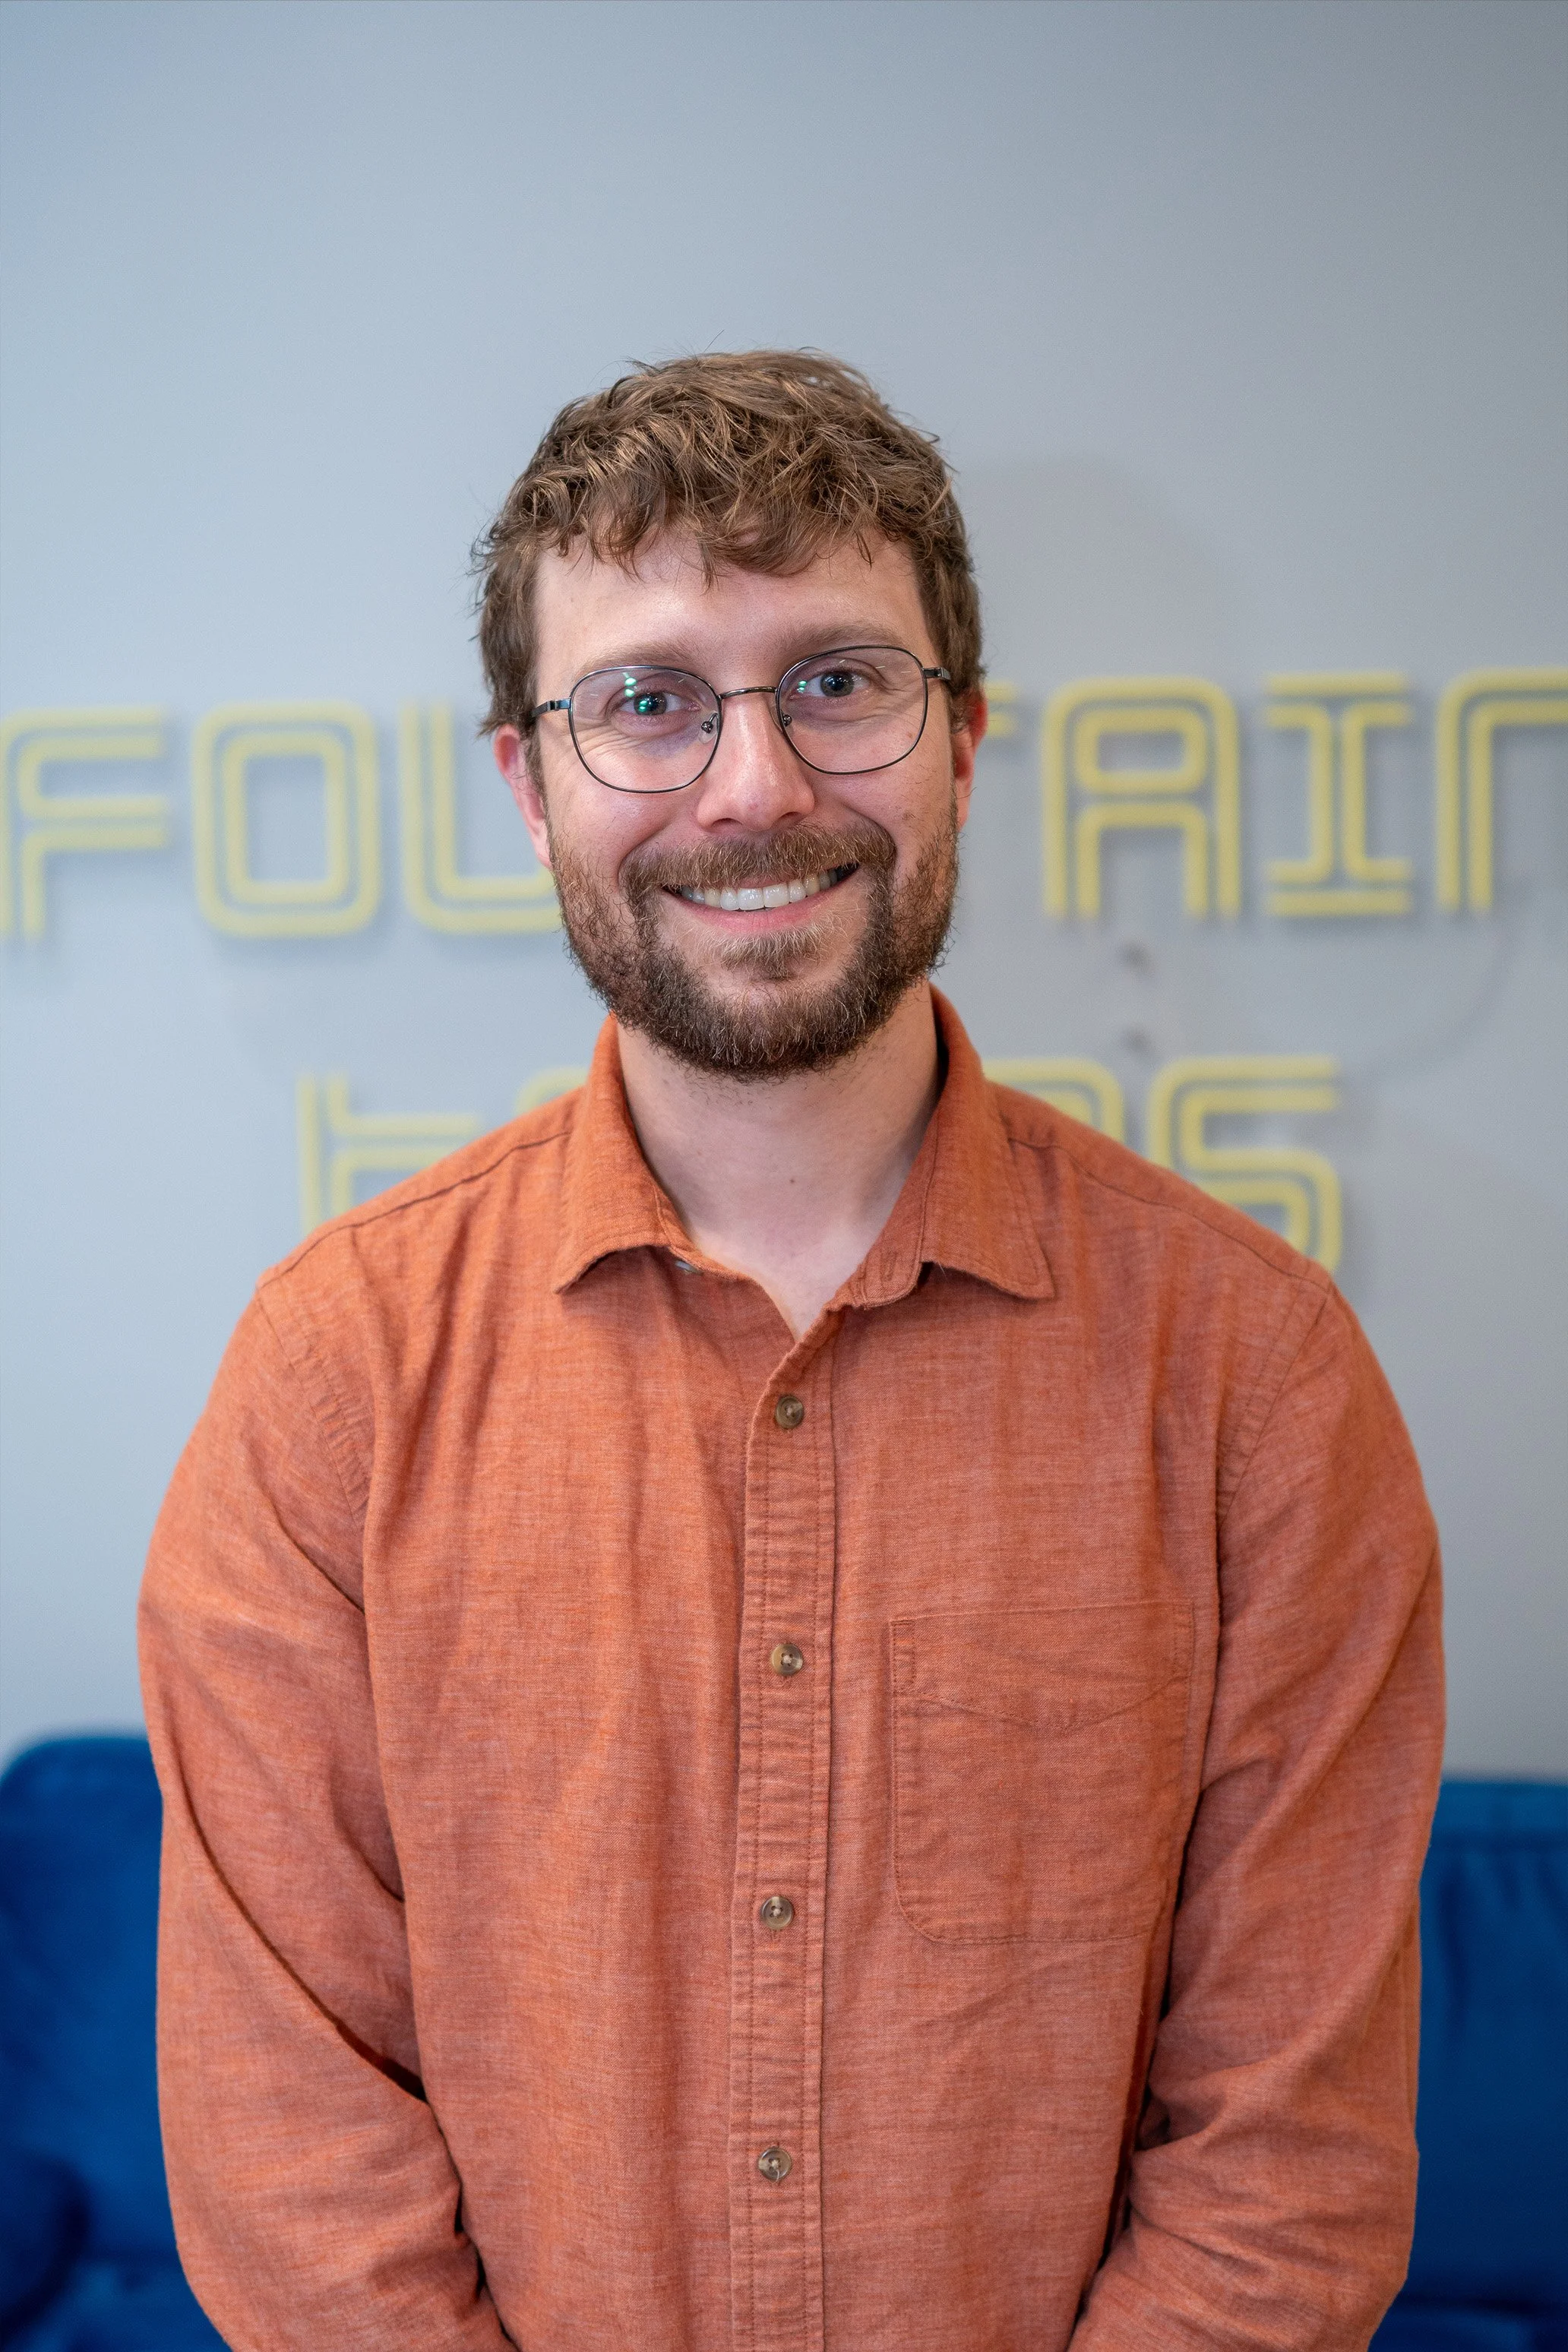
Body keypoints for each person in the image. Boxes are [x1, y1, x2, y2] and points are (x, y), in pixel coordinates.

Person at [140, 350, 1443, 2352]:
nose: (752, 786)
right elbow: (285, 2136)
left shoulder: (1258, 1381)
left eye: (837, 681)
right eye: (647, 702)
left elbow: (1288, 2163)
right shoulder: (337, 1374)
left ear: (965, 743)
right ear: (529, 780)